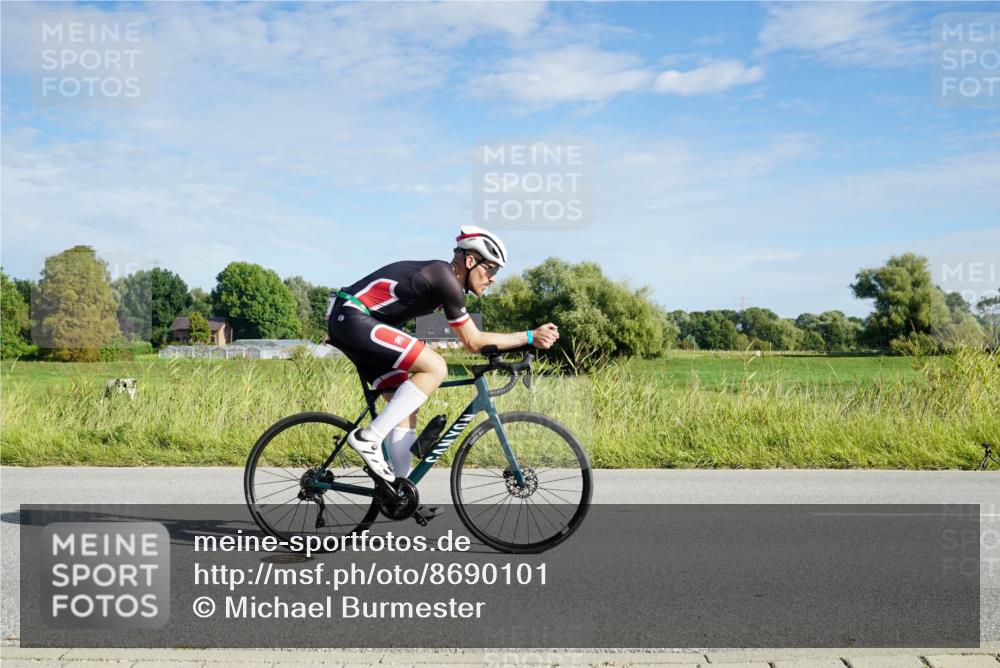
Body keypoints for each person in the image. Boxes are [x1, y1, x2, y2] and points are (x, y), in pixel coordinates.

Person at [326, 225, 559, 483]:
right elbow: (474, 341)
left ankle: (397, 490)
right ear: (470, 260)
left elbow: (477, 341)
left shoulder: (445, 283)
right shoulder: (445, 277)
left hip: (354, 322)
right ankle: (368, 437)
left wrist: (524, 345)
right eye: (490, 269)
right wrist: (528, 336)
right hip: (352, 316)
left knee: (405, 410)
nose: (493, 278)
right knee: (435, 366)